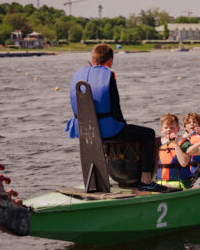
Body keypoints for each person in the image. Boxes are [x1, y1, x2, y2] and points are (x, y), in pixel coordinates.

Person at [65, 44, 165, 192]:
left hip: (84, 130)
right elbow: (115, 107)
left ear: (92, 60)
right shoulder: (108, 75)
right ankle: (146, 181)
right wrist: (122, 125)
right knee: (148, 134)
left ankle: (94, 181)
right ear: (110, 61)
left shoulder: (79, 74)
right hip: (108, 131)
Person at [156, 113, 200, 190]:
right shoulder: (159, 144)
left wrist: (176, 144)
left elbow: (184, 163)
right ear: (162, 129)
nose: (168, 130)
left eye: (172, 128)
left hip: (180, 184)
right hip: (160, 183)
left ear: (178, 129)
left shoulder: (184, 143)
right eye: (166, 128)